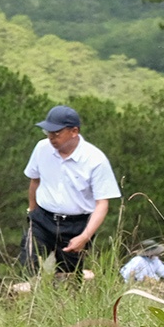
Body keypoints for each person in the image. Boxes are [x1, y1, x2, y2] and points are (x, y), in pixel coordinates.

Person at [23, 105, 120, 274]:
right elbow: (34, 180)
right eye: (48, 133)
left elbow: (102, 204)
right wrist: (32, 210)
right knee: (28, 265)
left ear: (74, 131)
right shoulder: (41, 148)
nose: (51, 138)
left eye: (56, 133)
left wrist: (85, 236)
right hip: (42, 219)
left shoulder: (95, 160)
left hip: (76, 225)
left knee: (69, 276)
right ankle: (29, 297)